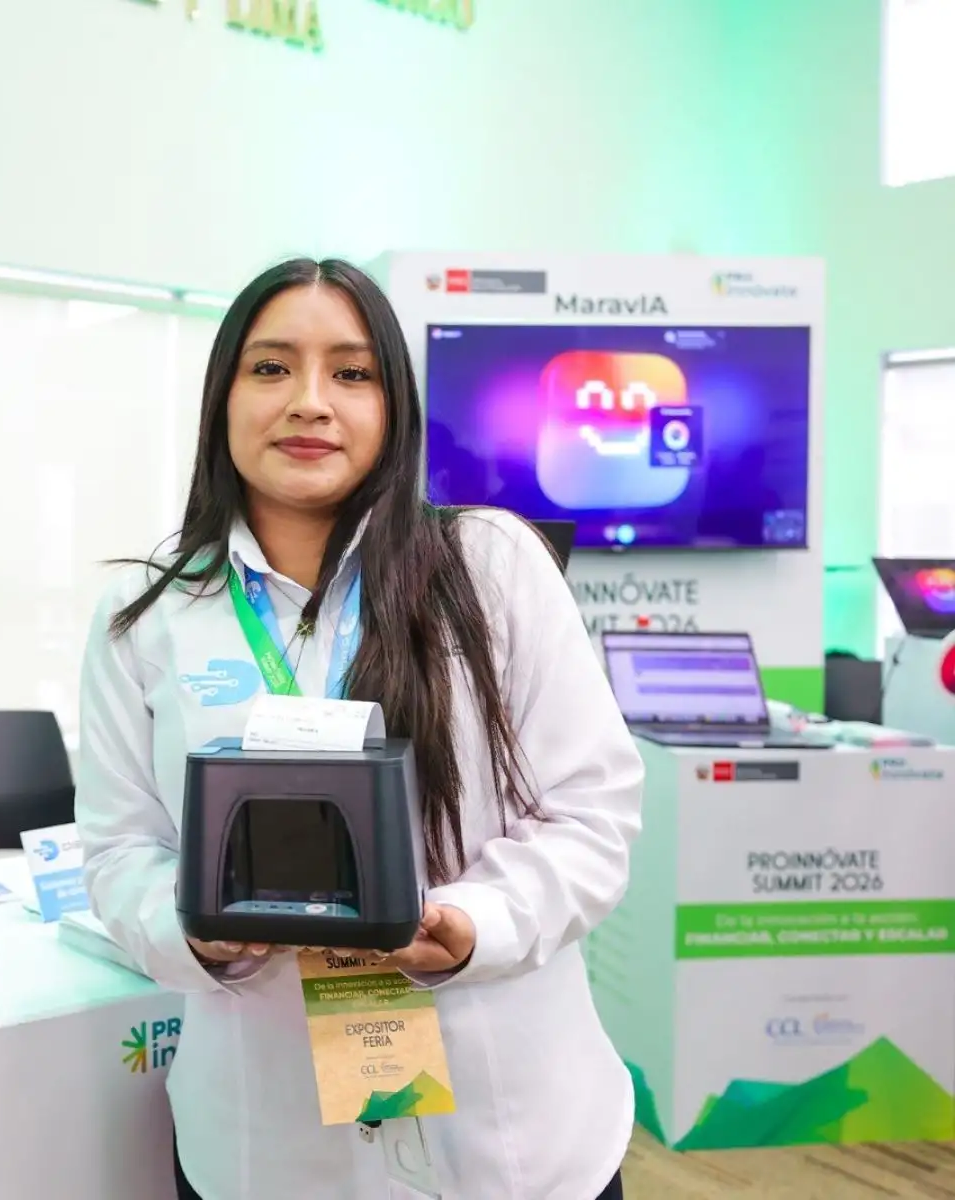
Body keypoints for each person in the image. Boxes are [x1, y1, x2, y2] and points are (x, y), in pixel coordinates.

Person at [75, 259, 643, 1200]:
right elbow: (119, 852)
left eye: (351, 372)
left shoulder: (493, 565)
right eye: (270, 368)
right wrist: (203, 935)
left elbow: (592, 816)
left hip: (512, 1139)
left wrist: (472, 926)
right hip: (267, 1150)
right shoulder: (147, 612)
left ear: (395, 406)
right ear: (222, 399)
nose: (310, 401)